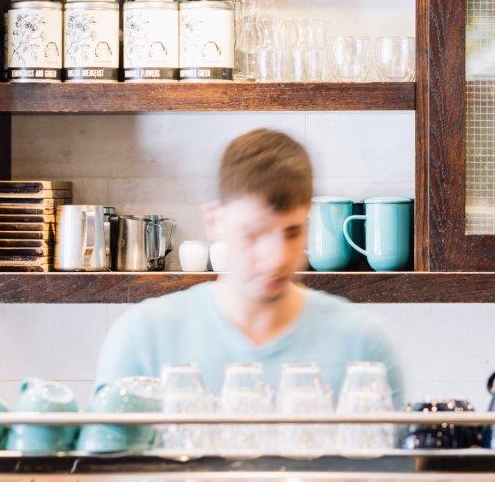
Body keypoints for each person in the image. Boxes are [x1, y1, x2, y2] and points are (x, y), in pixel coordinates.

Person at [97, 128, 404, 404]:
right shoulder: (142, 339)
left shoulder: (364, 347)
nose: (276, 257)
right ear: (215, 221)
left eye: (292, 232)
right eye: (254, 233)